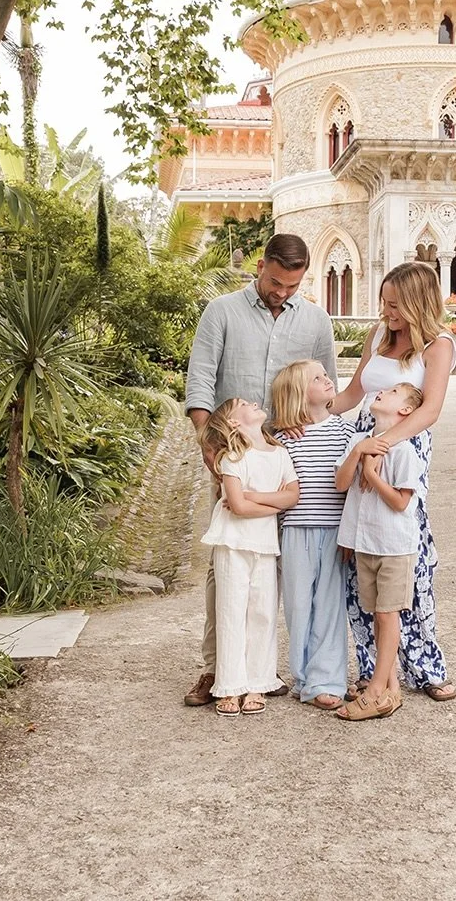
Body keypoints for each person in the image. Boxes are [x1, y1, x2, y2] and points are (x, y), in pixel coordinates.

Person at [184, 233, 337, 707]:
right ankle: (217, 669)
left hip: (291, 457)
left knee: (283, 563)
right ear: (260, 266)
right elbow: (200, 381)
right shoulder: (222, 312)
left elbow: (327, 388)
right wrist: (211, 445)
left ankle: (265, 670)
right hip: (232, 454)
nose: (282, 292)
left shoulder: (315, 320)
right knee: (228, 563)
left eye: (293, 286)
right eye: (276, 282)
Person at [330, 261, 456, 701]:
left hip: (404, 443)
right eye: (384, 303)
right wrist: (307, 412)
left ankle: (426, 666)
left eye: (395, 305)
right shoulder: (378, 335)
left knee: (407, 557)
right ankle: (372, 669)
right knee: (359, 551)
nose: (386, 312)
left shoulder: (439, 345)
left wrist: (383, 444)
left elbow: (430, 409)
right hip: (363, 438)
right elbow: (352, 395)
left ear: (419, 304)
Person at [198, 399, 299, 716]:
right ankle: (230, 685)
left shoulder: (280, 454)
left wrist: (254, 497)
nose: (254, 403)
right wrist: (275, 504)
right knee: (231, 612)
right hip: (233, 544)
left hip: (265, 545)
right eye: (243, 404)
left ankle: (258, 682)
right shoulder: (232, 457)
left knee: (262, 613)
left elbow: (293, 496)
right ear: (233, 423)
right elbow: (238, 508)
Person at [333, 382, 425, 721]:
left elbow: (401, 503)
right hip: (366, 543)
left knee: (388, 615)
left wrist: (372, 474)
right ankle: (391, 689)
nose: (382, 392)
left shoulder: (404, 451)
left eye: (393, 392)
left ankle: (375, 690)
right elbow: (341, 483)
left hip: (394, 545)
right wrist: (359, 453)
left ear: (405, 410)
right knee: (377, 615)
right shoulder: (359, 441)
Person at [269, 360, 354, 711]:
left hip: (334, 532)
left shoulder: (346, 432)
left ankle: (327, 680)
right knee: (298, 606)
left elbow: (353, 490)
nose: (327, 379)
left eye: (325, 374)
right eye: (317, 378)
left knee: (330, 607)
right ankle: (303, 677)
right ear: (298, 395)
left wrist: (351, 535)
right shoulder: (281, 440)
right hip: (295, 532)